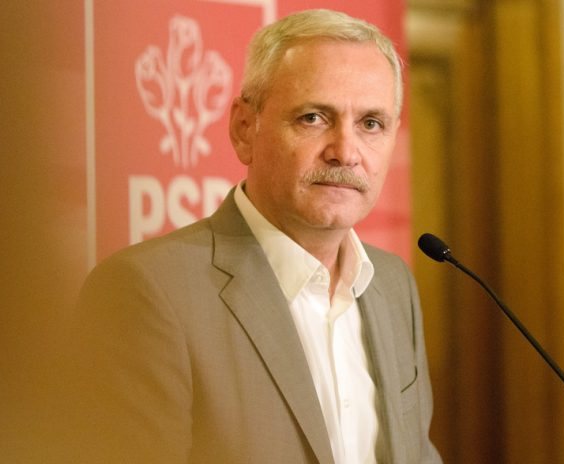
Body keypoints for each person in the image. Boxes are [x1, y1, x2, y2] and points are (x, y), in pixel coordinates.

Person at [67, 9, 441, 464]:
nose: (346, 152)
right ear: (244, 129)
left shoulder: (392, 283)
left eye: (371, 124)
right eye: (313, 118)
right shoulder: (146, 292)